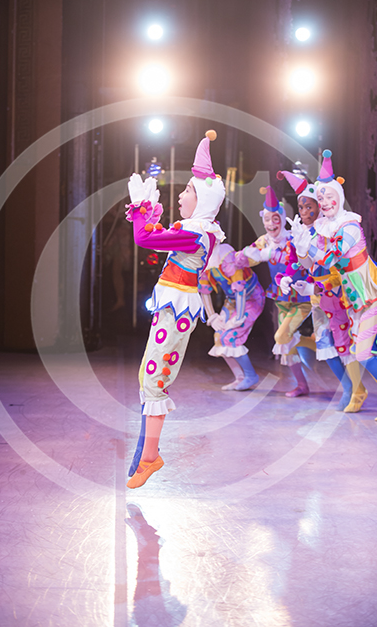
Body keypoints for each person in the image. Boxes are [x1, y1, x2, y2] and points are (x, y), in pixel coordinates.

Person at [125, 130, 226, 488]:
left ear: (202, 201)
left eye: (187, 191)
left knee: (154, 381)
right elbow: (157, 236)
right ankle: (146, 454)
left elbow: (145, 238)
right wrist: (150, 213)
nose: (181, 195)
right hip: (172, 308)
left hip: (176, 310)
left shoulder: (196, 232)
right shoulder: (198, 230)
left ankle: (149, 457)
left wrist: (142, 209)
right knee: (148, 377)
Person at [288, 150, 377, 418]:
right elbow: (312, 264)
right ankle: (354, 390)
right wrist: (302, 248)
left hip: (372, 296)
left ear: (339, 197)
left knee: (362, 352)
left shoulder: (349, 226)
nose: (325, 202)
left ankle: (356, 391)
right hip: (355, 301)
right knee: (356, 351)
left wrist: (307, 246)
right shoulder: (325, 229)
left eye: (329, 197)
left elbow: (330, 259)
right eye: (321, 198)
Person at [276, 169, 367, 412]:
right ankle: (348, 387)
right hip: (319, 300)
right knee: (326, 346)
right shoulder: (303, 231)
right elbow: (299, 263)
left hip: (339, 297)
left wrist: (314, 286)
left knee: (346, 345)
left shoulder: (330, 230)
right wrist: (288, 277)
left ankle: (356, 389)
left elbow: (335, 267)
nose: (304, 212)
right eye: (301, 207)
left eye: (309, 207)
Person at [239, 185, 313, 397]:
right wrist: (251, 254)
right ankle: (302, 385)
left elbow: (299, 263)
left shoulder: (292, 239)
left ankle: (317, 343)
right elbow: (244, 258)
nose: (271, 224)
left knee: (282, 337)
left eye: (275, 219)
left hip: (301, 297)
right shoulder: (264, 241)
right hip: (281, 299)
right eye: (267, 219)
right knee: (286, 345)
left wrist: (269, 254)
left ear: (282, 219)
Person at [199, 242, 265, 390]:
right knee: (218, 337)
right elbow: (204, 290)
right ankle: (239, 377)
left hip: (252, 299)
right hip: (232, 301)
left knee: (230, 337)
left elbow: (240, 289)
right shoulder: (204, 259)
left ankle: (251, 376)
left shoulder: (226, 257)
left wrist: (239, 318)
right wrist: (212, 316)